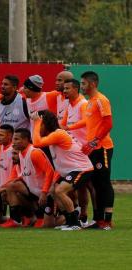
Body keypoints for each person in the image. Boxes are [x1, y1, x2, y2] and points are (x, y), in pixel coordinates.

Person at [32, 110, 94, 230]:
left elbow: (36, 142)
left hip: (82, 169)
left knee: (60, 191)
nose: (38, 128)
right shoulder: (54, 135)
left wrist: (36, 122)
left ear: (45, 124)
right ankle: (70, 220)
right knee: (55, 192)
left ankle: (75, 224)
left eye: (41, 125)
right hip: (72, 170)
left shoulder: (58, 134)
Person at [0, 128, 54, 228]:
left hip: (45, 193)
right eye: (13, 139)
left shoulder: (34, 153)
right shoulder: (21, 153)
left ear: (26, 140)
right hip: (33, 192)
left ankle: (70, 217)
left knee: (48, 225)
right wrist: (5, 186)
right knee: (11, 187)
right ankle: (17, 219)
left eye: (16, 139)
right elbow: (26, 174)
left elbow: (50, 172)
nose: (13, 142)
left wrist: (44, 192)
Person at [80, 71, 115, 230]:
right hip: (93, 148)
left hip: (103, 148)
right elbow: (88, 123)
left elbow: (108, 124)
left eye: (83, 83)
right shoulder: (90, 102)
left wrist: (95, 141)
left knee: (104, 183)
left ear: (92, 84)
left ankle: (107, 221)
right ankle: (98, 220)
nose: (82, 86)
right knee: (94, 183)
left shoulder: (101, 100)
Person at [61, 78, 96, 225]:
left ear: (75, 89)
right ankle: (81, 215)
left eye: (67, 88)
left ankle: (97, 217)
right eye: (64, 88)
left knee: (90, 185)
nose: (64, 91)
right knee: (78, 186)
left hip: (86, 150)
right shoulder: (69, 105)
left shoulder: (83, 104)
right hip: (75, 151)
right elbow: (63, 124)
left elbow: (88, 122)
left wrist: (69, 127)